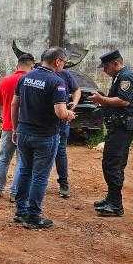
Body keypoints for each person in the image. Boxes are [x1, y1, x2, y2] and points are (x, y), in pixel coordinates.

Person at [11, 47, 76, 229]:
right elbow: (60, 112)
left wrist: (16, 129)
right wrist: (69, 114)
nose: (64, 66)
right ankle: (33, 216)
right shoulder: (57, 82)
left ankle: (20, 212)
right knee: (40, 176)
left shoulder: (25, 78)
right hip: (45, 136)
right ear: (57, 61)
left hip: (23, 132)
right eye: (64, 62)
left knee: (25, 171)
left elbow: (14, 104)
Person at [89, 50, 133, 217]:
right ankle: (111, 198)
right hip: (118, 126)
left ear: (115, 64)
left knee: (113, 164)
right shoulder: (119, 76)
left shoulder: (126, 77)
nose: (104, 70)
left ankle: (116, 204)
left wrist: (101, 100)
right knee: (112, 163)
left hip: (122, 127)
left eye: (106, 67)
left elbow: (124, 101)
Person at [0, 53, 35, 200]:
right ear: (32, 66)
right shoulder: (31, 81)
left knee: (3, 158)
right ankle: (15, 192)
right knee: (21, 161)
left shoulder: (4, 80)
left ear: (17, 66)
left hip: (7, 127)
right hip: (25, 128)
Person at [54, 68, 81, 199]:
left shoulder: (65, 74)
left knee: (60, 152)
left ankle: (63, 183)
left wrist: (74, 104)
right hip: (44, 121)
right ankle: (34, 183)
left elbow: (77, 90)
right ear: (57, 61)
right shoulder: (38, 72)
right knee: (40, 152)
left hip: (61, 121)